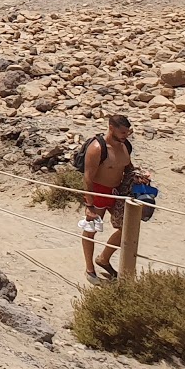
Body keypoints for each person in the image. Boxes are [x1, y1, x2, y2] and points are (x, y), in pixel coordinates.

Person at [79, 114, 134, 283]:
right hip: (99, 192)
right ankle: (89, 269)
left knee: (127, 229)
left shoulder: (126, 146)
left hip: (117, 192)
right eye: (123, 132)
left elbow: (128, 166)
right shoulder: (97, 148)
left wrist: (138, 175)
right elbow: (88, 177)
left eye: (128, 132)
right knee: (91, 229)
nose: (126, 135)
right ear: (111, 128)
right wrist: (89, 204)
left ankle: (103, 258)